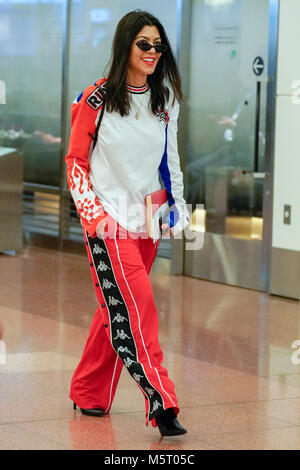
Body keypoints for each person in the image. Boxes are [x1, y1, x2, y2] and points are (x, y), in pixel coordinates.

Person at [65, 9, 190, 437]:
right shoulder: (95, 100)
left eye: (158, 45)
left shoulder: (164, 100)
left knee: (116, 310)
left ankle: (88, 391)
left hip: (146, 224)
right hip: (108, 223)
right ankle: (163, 401)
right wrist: (94, 216)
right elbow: (75, 163)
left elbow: (169, 161)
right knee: (138, 309)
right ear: (125, 46)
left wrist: (178, 205)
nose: (153, 52)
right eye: (144, 44)